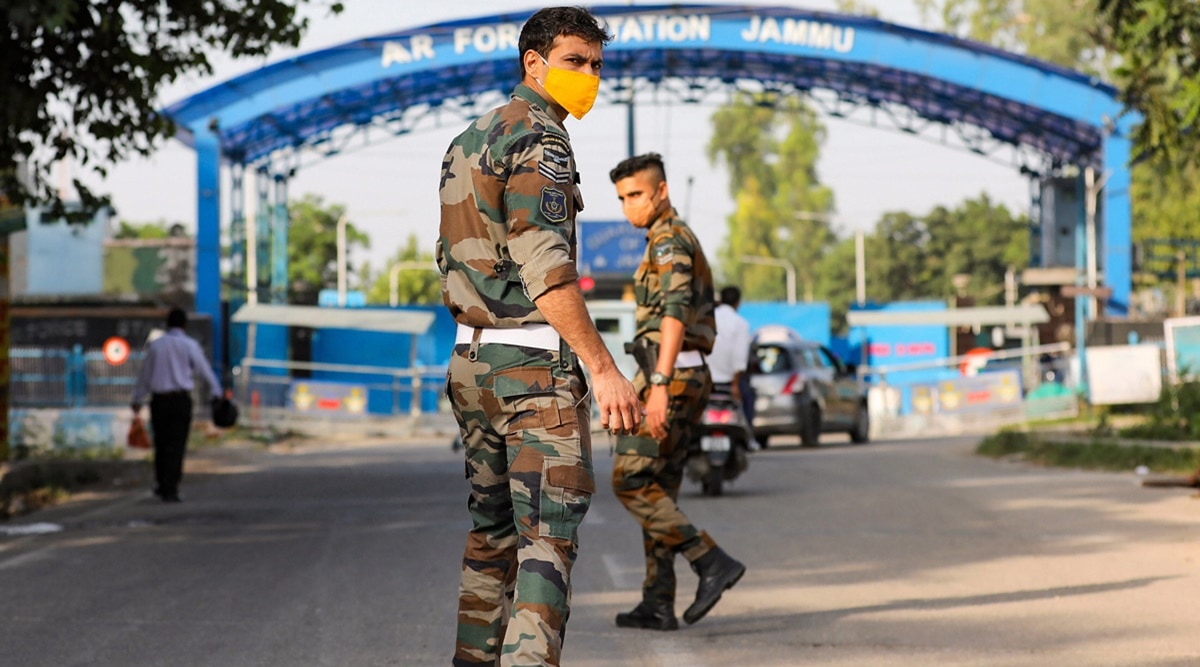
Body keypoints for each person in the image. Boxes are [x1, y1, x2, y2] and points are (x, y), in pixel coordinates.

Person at [436, 8, 641, 666]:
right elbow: (546, 270)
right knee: (546, 544)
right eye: (577, 62)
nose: (591, 77)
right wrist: (603, 367)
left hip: (471, 362)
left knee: (490, 536)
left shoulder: (470, 138)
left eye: (598, 66)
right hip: (532, 374)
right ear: (535, 63)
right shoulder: (540, 139)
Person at [608, 152, 747, 631]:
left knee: (629, 480)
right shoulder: (662, 238)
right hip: (684, 374)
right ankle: (658, 601)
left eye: (637, 195)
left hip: (672, 376)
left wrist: (660, 387)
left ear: (661, 192)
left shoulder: (669, 239)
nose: (629, 207)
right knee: (658, 487)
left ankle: (710, 561)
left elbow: (674, 310)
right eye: (622, 198)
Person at [130, 308, 222, 503]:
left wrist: (137, 399)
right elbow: (205, 370)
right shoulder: (190, 345)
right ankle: (171, 486)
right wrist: (217, 392)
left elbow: (145, 376)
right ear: (185, 325)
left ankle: (162, 484)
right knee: (177, 444)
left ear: (167, 324)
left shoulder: (156, 346)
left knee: (161, 443)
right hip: (181, 401)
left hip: (159, 401)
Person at [710, 285, 754, 428]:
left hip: (705, 382)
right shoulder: (740, 323)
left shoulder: (708, 319)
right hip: (729, 382)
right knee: (748, 399)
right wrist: (736, 386)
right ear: (738, 302)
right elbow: (740, 359)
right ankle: (749, 436)